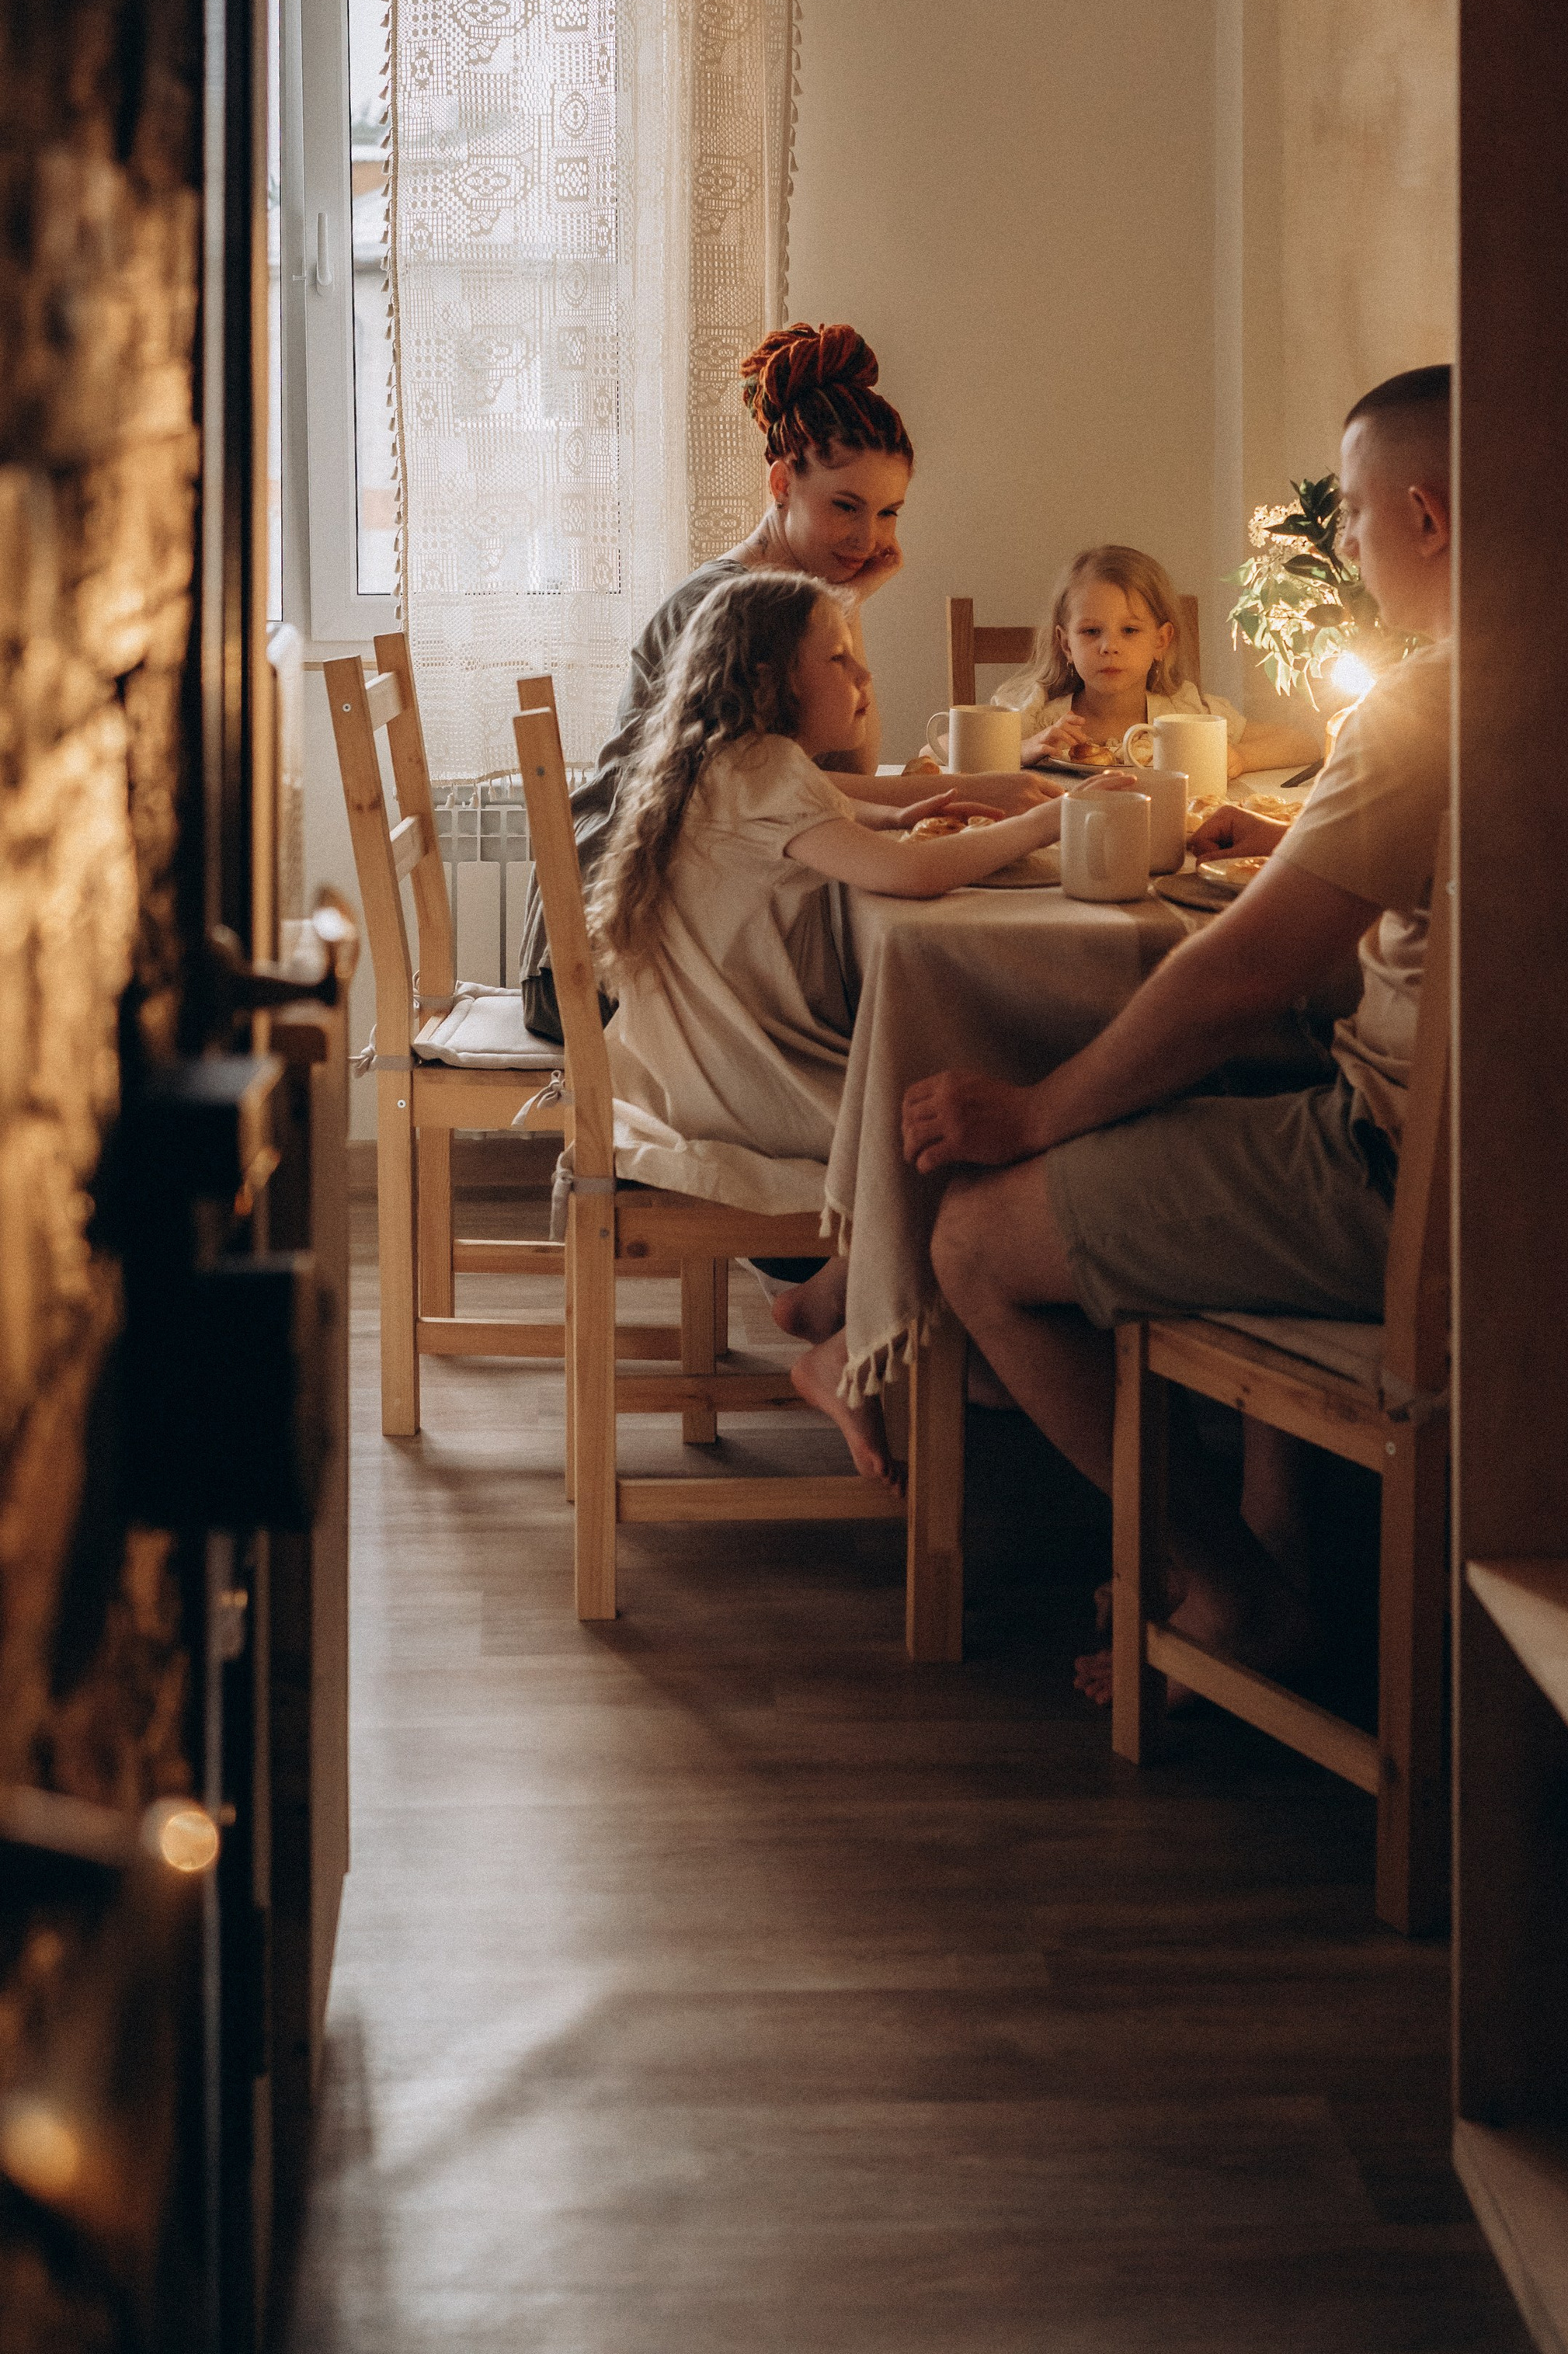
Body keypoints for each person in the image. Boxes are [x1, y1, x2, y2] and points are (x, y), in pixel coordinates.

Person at [900, 367, 1452, 1694]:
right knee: (1201, 1118)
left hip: (1398, 1180)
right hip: (1541, 1180)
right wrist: (1293, 837)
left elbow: (1234, 983)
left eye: (1360, 527)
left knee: (973, 1234)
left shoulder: (1428, 700)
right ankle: (1268, 1537)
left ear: (1425, 519)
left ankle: (1237, 1591)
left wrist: (1035, 1111)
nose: (1356, 557)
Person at [589, 568, 1115, 1491]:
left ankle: (833, 1299)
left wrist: (958, 796)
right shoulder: (762, 769)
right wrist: (1054, 821)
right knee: (954, 1128)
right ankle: (854, 1343)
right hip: (744, 1088)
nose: (861, 680)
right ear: (768, 680)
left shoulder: (732, 761)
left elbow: (860, 805)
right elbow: (906, 876)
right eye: (835, 659)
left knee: (945, 1103)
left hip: (684, 1066)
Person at [516, 321, 1052, 1045]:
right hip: (600, 961)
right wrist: (977, 794)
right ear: (781, 484)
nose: (870, 539)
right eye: (845, 506)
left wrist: (849, 605)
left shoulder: (801, 610)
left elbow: (838, 766)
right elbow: (765, 785)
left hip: (675, 948)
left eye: (888, 511)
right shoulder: (725, 612)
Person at [993, 544, 1316, 777]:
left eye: (1130, 630)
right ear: (1066, 645)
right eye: (1091, 631)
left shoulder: (1184, 714)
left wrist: (1239, 758)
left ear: (1160, 641)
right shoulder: (1038, 714)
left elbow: (1304, 742)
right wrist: (1022, 750)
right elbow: (947, 744)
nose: (1109, 647)